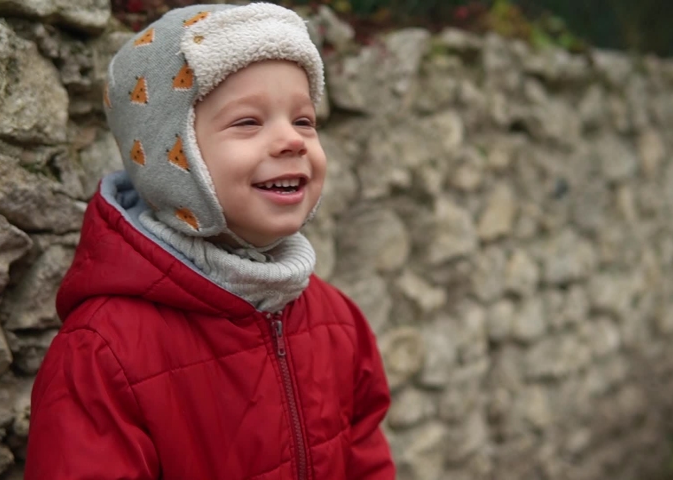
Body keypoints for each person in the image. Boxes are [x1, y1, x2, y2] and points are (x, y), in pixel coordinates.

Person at [24, 3, 395, 479]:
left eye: (304, 120)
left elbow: (367, 461)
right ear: (169, 159)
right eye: (248, 122)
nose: (293, 140)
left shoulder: (338, 322)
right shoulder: (103, 352)